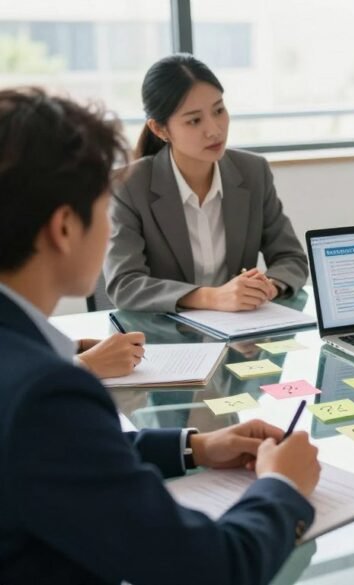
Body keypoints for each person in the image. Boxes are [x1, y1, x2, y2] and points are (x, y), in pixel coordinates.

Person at [0, 87, 321, 585]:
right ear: (65, 228)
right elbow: (211, 566)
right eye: (103, 211)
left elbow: (56, 459)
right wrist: (284, 486)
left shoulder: (29, 374)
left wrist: (194, 447)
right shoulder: (45, 391)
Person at [105, 53, 308, 313]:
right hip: (167, 341)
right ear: (160, 129)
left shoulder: (253, 171)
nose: (214, 129)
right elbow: (124, 284)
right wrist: (211, 297)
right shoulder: (129, 186)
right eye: (194, 120)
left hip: (243, 334)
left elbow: (291, 258)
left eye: (219, 110)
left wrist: (268, 286)